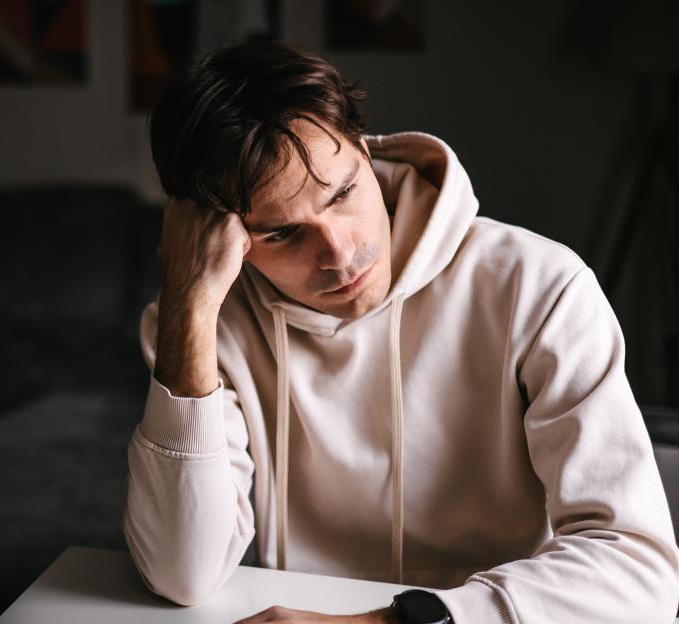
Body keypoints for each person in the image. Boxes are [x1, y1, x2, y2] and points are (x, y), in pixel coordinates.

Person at [122, 39, 679, 624]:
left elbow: (639, 572)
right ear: (218, 235)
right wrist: (188, 306)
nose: (339, 254)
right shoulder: (202, 325)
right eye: (283, 234)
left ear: (365, 150)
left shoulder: (539, 285)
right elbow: (181, 574)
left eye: (342, 194)